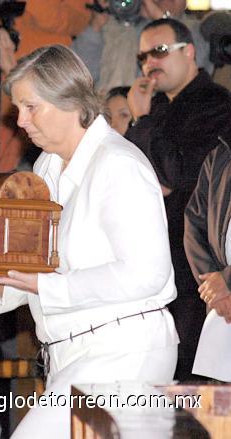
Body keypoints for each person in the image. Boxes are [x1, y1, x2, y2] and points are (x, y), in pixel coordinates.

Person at [0, 44, 179, 438]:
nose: (20, 120)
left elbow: (147, 274)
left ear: (70, 101)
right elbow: (42, 267)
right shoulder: (46, 166)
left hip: (124, 352)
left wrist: (41, 284)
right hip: (72, 354)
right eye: (18, 108)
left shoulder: (118, 165)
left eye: (30, 106)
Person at [125, 17, 231, 381]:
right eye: (143, 57)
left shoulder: (214, 102)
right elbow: (138, 181)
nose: (149, 64)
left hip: (196, 271)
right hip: (161, 264)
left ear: (189, 52)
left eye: (159, 51)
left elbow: (174, 177)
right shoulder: (158, 110)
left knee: (195, 382)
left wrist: (141, 118)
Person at [0, 0, 91, 172]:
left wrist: (13, 71)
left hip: (51, 87)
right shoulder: (14, 118)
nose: (23, 120)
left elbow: (78, 21)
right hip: (9, 94)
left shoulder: (54, 118)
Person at [72, 0, 212, 92]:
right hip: (110, 121)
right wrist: (96, 23)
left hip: (158, 123)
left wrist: (162, 19)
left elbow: (192, 71)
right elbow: (75, 77)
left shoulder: (196, 30)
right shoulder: (113, 26)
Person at [184, 135, 231, 382]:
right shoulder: (221, 154)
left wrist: (227, 281)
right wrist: (214, 289)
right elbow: (195, 224)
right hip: (223, 311)